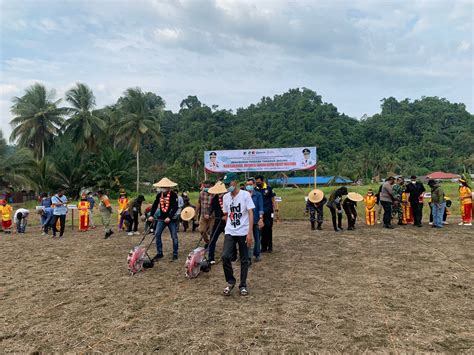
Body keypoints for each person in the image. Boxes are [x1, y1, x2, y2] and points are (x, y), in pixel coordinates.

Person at [221, 173, 254, 296]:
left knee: (244, 259)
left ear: (234, 182)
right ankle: (230, 281)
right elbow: (226, 213)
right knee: (225, 256)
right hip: (230, 231)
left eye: (228, 184)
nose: (226, 187)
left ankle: (243, 285)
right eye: (225, 185)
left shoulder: (245, 195)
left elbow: (250, 213)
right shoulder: (225, 197)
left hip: (243, 231)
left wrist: (249, 233)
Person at [149, 178, 180, 261]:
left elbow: (175, 207)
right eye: (162, 187)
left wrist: (169, 217)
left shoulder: (173, 195)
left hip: (171, 219)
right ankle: (159, 253)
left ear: (168, 187)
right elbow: (155, 205)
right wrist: (151, 215)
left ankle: (175, 253)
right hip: (161, 219)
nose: (163, 188)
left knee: (174, 237)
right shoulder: (159, 195)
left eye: (164, 187)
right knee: (157, 234)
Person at [207, 181, 227, 265]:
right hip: (218, 221)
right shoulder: (215, 198)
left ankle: (231, 256)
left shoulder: (228, 197)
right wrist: (208, 213)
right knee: (212, 239)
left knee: (230, 240)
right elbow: (211, 207)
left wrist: (226, 215)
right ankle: (211, 258)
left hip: (227, 222)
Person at [255, 175, 276, 252]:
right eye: (256, 182)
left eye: (259, 182)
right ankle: (263, 247)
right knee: (261, 229)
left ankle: (270, 247)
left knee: (268, 228)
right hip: (260, 213)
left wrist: (276, 209)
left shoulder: (269, 188)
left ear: (262, 181)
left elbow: (273, 199)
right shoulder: (255, 189)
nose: (258, 183)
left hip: (269, 212)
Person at [246, 178, 264, 265]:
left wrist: (261, 218)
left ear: (254, 185)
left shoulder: (258, 195)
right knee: (247, 239)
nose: (248, 186)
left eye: (250, 184)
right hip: (246, 221)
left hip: (256, 220)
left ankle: (257, 254)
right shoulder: (244, 195)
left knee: (257, 238)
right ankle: (248, 257)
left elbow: (261, 207)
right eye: (247, 184)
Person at [196, 180, 213, 246]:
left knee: (211, 231)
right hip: (203, 215)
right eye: (204, 185)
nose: (205, 186)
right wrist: (196, 213)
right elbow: (199, 203)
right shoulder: (201, 193)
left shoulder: (214, 194)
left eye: (207, 185)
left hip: (212, 216)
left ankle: (212, 244)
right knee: (201, 230)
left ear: (210, 185)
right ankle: (207, 241)